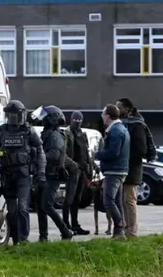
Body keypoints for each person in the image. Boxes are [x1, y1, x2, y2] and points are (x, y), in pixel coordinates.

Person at [0, 100, 45, 245]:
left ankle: (23, 239)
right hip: (7, 176)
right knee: (12, 211)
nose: (14, 117)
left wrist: (41, 172)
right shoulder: (2, 131)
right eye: (11, 114)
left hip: (23, 175)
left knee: (22, 208)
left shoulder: (29, 131)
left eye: (16, 114)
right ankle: (16, 240)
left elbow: (40, 153)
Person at [116, 98, 155, 237]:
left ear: (127, 109)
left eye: (119, 107)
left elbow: (141, 149)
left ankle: (131, 231)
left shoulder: (136, 124)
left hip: (132, 169)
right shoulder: (122, 123)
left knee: (129, 200)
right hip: (123, 168)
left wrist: (124, 155)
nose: (117, 109)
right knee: (122, 201)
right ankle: (125, 228)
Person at [35, 105, 74, 242]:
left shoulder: (55, 135)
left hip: (52, 175)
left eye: (45, 118)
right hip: (44, 174)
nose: (43, 120)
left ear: (52, 119)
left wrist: (38, 157)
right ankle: (43, 237)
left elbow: (54, 154)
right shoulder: (48, 133)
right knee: (40, 206)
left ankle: (65, 231)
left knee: (47, 205)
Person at [96, 104, 130, 240]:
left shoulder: (115, 131)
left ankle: (120, 227)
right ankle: (119, 232)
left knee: (108, 201)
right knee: (117, 201)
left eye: (103, 115)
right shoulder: (122, 129)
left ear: (108, 116)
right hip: (121, 170)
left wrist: (97, 155)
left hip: (114, 171)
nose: (102, 117)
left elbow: (113, 152)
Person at [62, 111, 91, 235]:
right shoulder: (67, 133)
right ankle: (65, 225)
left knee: (77, 199)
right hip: (73, 170)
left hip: (82, 170)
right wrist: (71, 165)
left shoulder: (82, 134)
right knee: (69, 199)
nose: (77, 121)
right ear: (71, 119)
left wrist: (90, 167)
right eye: (75, 119)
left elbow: (86, 152)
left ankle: (75, 224)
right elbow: (64, 153)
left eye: (80, 119)